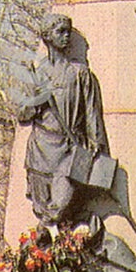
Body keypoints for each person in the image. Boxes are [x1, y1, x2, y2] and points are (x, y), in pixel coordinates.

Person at [19, 14, 109, 235]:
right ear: (47, 36)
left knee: (58, 207)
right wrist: (35, 98)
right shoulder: (36, 74)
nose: (66, 36)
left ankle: (64, 238)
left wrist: (97, 146)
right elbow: (23, 116)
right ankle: (53, 252)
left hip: (70, 152)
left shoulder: (81, 74)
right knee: (44, 210)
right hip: (40, 151)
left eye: (68, 31)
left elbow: (92, 114)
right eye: (60, 31)